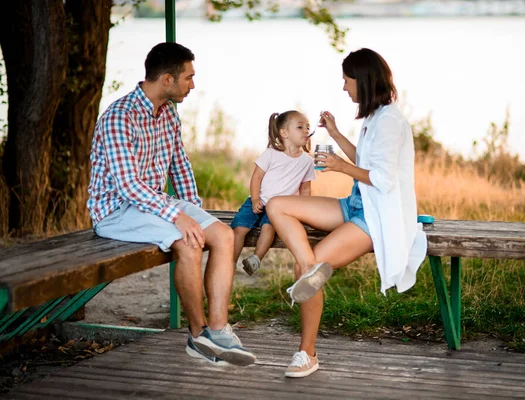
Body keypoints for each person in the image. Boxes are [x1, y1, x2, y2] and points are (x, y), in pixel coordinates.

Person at [87, 42, 256, 367]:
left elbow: (180, 168)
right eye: (188, 78)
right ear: (167, 79)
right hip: (115, 211)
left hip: (152, 204)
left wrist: (195, 212)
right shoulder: (119, 117)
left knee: (221, 235)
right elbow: (127, 186)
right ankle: (198, 336)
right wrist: (178, 218)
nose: (193, 85)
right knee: (187, 242)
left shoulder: (167, 115)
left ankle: (219, 330)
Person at [267, 48, 427, 378]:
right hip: (355, 203)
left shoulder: (390, 122)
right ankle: (308, 265)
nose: (344, 87)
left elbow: (383, 179)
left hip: (375, 216)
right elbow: (367, 163)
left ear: (362, 80)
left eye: (346, 80)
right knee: (278, 205)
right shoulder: (375, 117)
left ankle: (306, 353)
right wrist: (336, 134)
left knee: (306, 270)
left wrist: (340, 166)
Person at [231, 111, 316, 276]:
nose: (306, 130)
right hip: (258, 199)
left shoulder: (307, 161)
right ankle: (230, 262)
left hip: (280, 208)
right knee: (239, 229)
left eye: (308, 127)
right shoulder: (271, 153)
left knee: (268, 228)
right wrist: (255, 199)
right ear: (284, 133)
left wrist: (304, 211)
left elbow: (305, 188)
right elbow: (256, 177)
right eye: (300, 127)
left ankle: (256, 259)